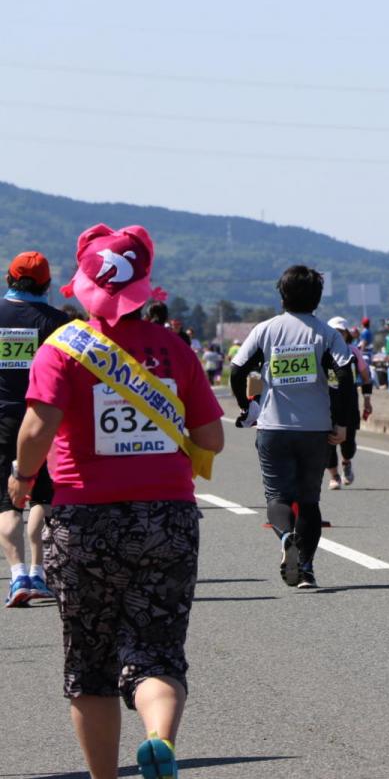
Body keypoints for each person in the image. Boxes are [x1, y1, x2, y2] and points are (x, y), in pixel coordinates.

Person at [12, 223, 224, 779]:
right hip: (168, 518)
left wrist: (20, 478)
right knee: (157, 654)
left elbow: (39, 425)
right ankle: (159, 738)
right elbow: (212, 439)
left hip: (84, 521)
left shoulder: (64, 349)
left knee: (91, 665)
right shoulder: (175, 349)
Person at [230, 265, 355, 590]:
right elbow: (344, 375)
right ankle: (308, 569)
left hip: (273, 427)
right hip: (316, 429)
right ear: (317, 297)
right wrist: (342, 423)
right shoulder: (326, 334)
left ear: (282, 294)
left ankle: (286, 536)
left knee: (278, 497)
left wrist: (248, 408)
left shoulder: (265, 330)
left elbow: (237, 369)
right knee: (310, 501)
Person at [0, 251, 69, 607]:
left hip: (1, 418)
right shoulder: (59, 322)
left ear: (10, 279)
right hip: (43, 418)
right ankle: (39, 574)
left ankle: (16, 577)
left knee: (5, 503)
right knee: (43, 496)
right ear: (46, 284)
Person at [325, 316, 373, 490]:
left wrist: (367, 400)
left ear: (347, 334)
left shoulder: (353, 352)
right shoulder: (320, 352)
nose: (337, 335)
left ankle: (346, 461)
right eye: (334, 332)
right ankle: (334, 476)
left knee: (348, 444)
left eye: (341, 332)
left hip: (349, 403)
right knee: (327, 442)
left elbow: (367, 378)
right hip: (326, 403)